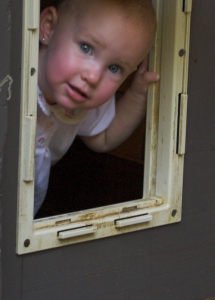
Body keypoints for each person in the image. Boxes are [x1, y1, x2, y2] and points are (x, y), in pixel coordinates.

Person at [34, 0, 159, 215]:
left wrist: (137, 95)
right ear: (48, 27)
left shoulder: (81, 99)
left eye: (114, 68)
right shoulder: (12, 76)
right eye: (86, 48)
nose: (93, 77)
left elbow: (104, 139)